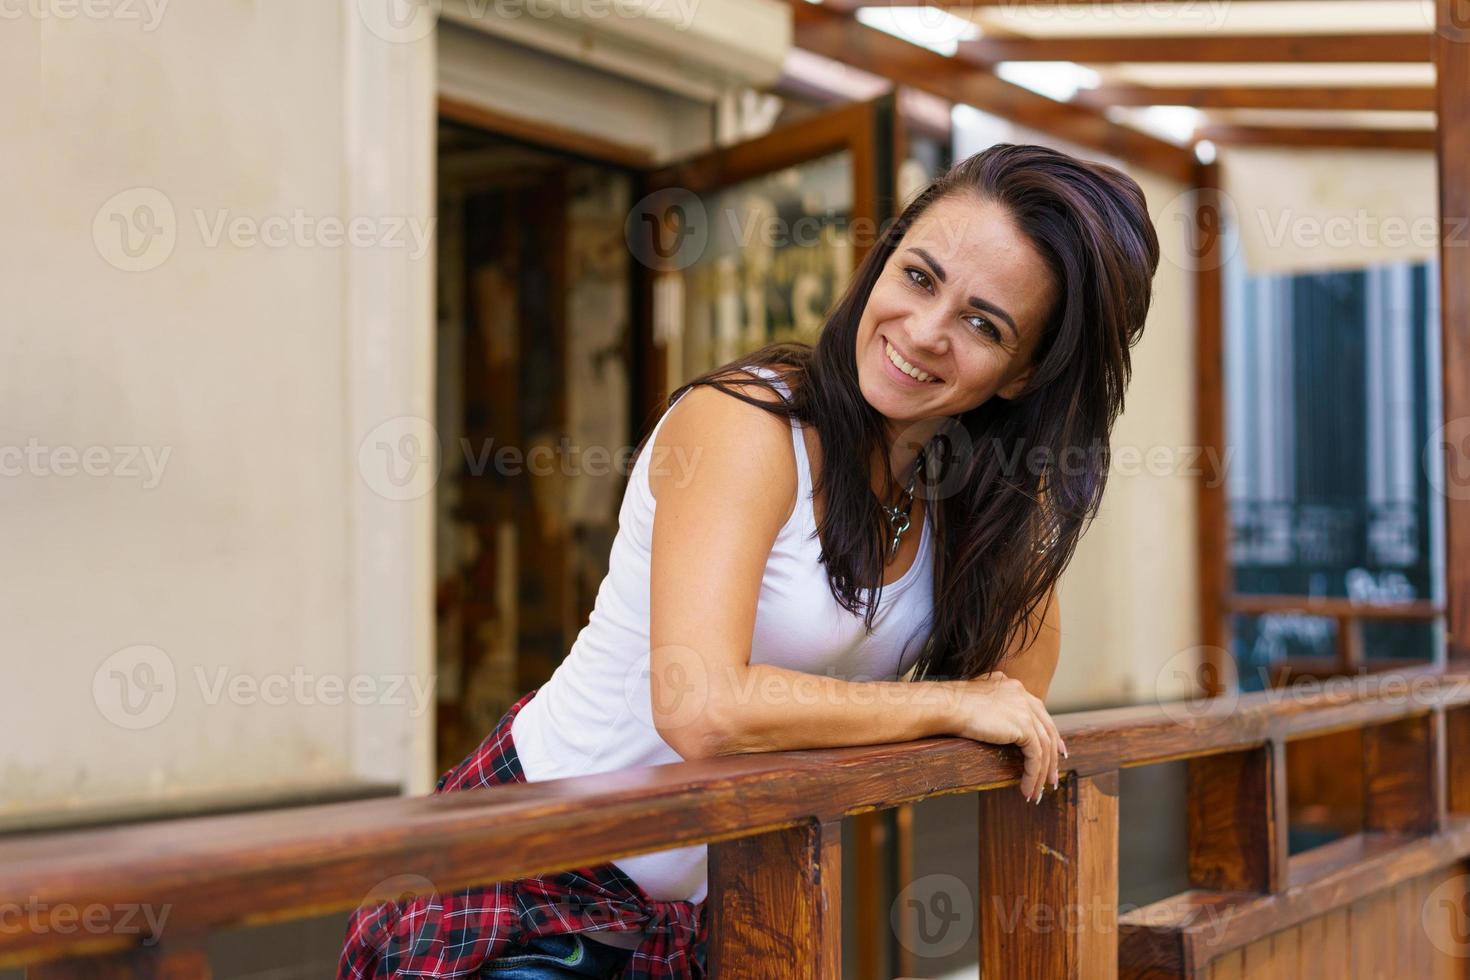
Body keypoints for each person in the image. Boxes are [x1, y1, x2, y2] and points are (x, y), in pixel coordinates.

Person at [337, 141, 1160, 979]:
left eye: (985, 325)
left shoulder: (955, 501)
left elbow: (1014, 700)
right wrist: (946, 704)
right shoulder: (750, 426)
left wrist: (1026, 488)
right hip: (525, 873)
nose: (924, 331)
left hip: (690, 916)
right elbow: (700, 709)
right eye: (918, 276)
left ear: (1025, 375)